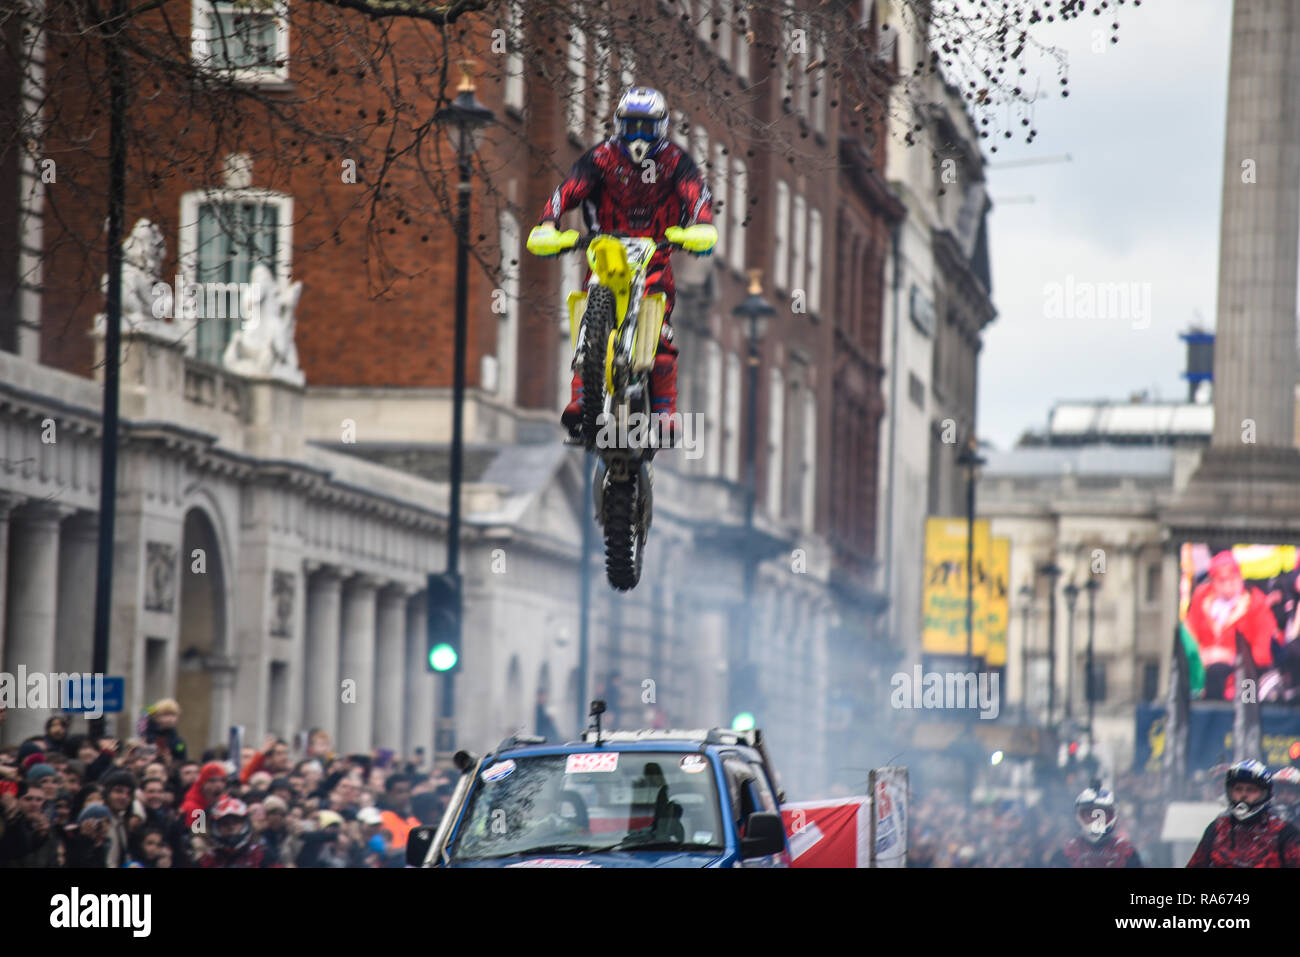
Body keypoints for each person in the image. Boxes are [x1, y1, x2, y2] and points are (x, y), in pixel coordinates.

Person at [527, 87, 716, 439]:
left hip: (655, 256)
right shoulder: (600, 158)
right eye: (631, 127)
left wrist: (702, 225)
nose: (638, 136)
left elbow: (696, 193)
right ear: (618, 126)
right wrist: (548, 223)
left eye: (647, 128)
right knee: (588, 314)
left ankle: (663, 409)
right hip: (606, 252)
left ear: (660, 128)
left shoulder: (675, 161)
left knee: (661, 332)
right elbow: (567, 190)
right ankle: (582, 397)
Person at [1185, 550, 1279, 700]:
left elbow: (1263, 654)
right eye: (1221, 581)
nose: (1228, 586)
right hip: (1207, 678)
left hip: (1246, 678)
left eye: (1232, 579)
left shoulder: (1256, 603)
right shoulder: (1201, 598)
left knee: (1237, 684)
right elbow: (1188, 639)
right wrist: (1202, 655)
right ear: (1212, 581)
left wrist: (1229, 657)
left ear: (1240, 578)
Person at [1187, 760, 1300, 867]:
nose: (1243, 795)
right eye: (1238, 789)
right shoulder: (1217, 829)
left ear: (1264, 794)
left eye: (1251, 790)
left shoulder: (1283, 833)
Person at [1049, 785, 1142, 867]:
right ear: (1079, 817)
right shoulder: (1066, 853)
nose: (1096, 820)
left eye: (1101, 814)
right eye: (1089, 814)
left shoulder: (1125, 852)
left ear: (1112, 816)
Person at [196, 796, 276, 867]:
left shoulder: (261, 855)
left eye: (236, 822)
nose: (231, 827)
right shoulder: (207, 861)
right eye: (225, 823)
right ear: (216, 827)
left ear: (245, 823)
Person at [141, 698, 188, 764]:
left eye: (173, 715)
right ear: (156, 717)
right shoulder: (148, 737)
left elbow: (181, 755)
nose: (170, 719)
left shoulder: (178, 742)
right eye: (166, 715)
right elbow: (144, 710)